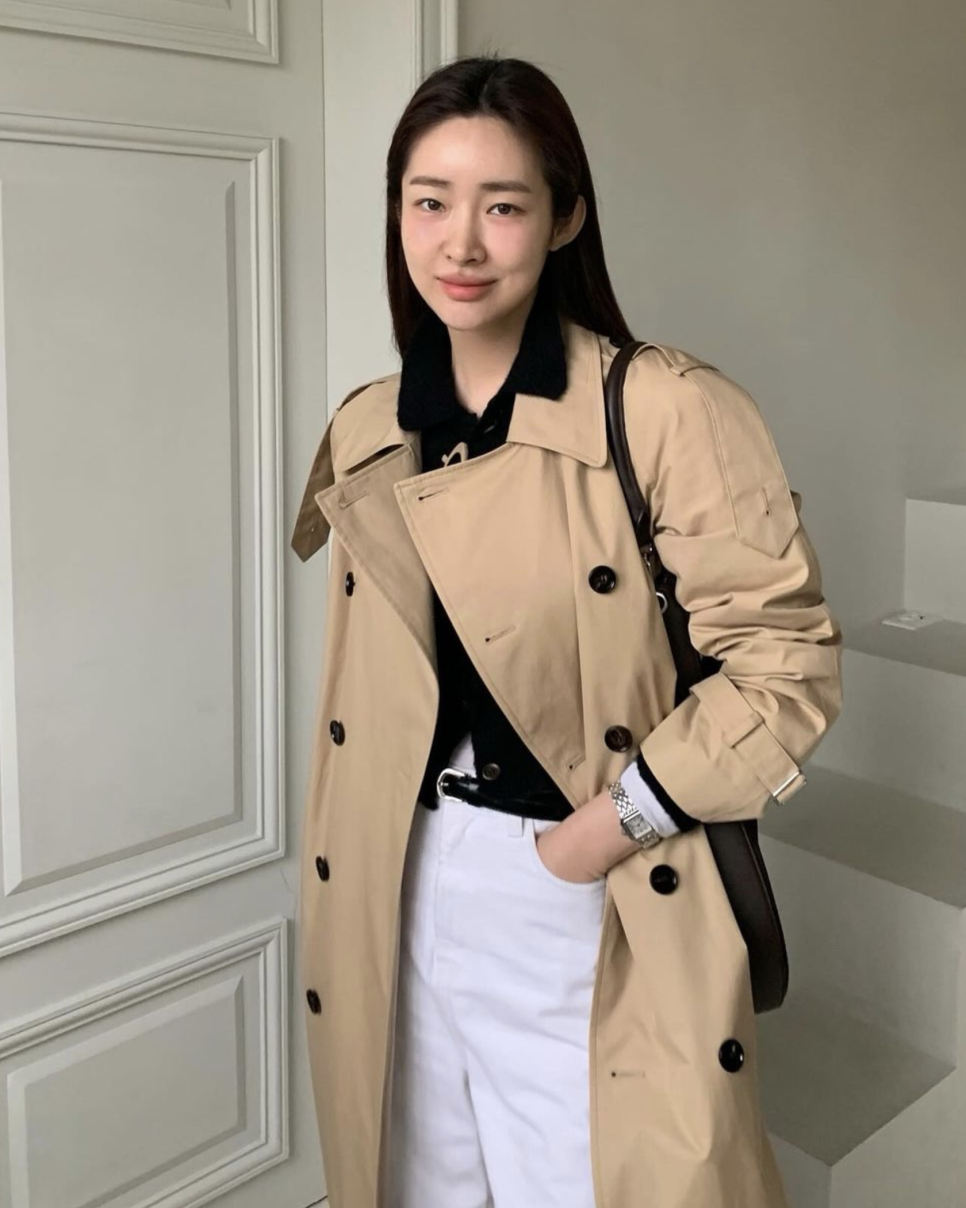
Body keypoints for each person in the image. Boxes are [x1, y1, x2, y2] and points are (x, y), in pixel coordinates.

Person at [291, 53, 843, 1208]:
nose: (461, 243)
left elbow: (783, 664)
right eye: (429, 202)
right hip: (397, 874)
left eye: (503, 205)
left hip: (580, 878)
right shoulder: (373, 422)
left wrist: (596, 835)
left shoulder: (666, 408)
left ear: (565, 217)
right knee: (416, 1181)